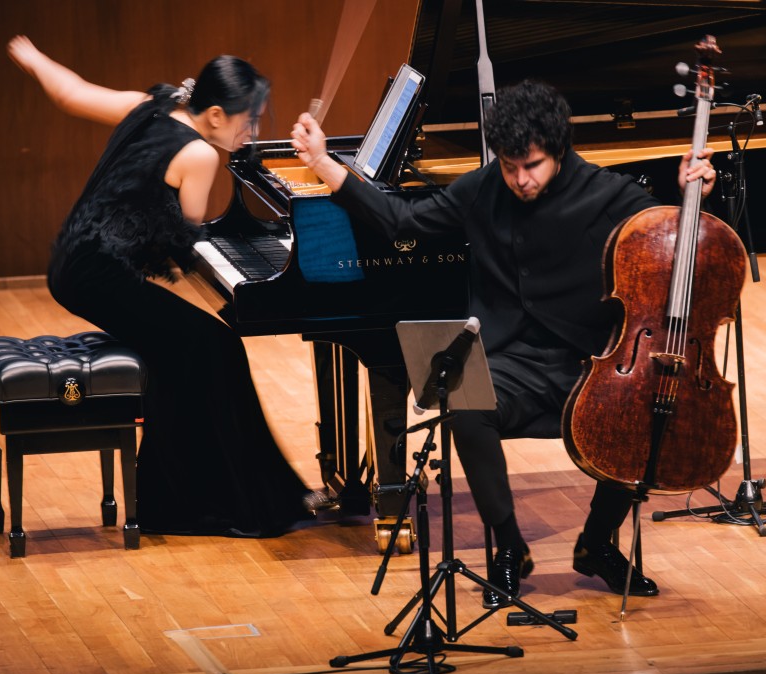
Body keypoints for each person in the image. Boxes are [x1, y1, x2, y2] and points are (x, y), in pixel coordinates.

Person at [290, 79, 716, 604]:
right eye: (510, 166)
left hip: (590, 363)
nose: (520, 180)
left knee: (651, 413)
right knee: (466, 404)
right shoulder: (484, 187)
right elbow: (403, 223)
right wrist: (325, 164)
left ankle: (598, 543)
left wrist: (688, 191)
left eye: (531, 166)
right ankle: (509, 547)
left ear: (558, 152)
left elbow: (668, 239)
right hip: (509, 359)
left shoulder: (607, 194)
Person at [7, 36, 313, 538]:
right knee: (216, 347)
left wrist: (35, 57)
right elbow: (186, 240)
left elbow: (71, 92)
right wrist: (251, 266)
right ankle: (215, 503)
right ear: (215, 114)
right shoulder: (199, 154)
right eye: (248, 120)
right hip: (100, 279)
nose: (252, 130)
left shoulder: (148, 106)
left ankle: (180, 495)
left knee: (185, 353)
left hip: (69, 261)